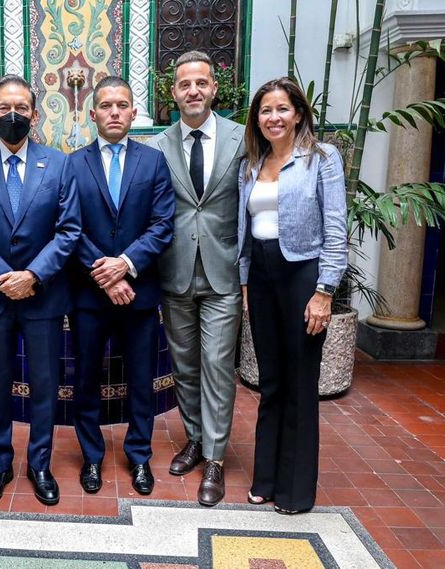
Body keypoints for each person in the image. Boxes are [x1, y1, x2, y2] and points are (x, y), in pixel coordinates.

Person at [0, 75, 81, 507]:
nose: (13, 116)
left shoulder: (58, 164)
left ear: (35, 114)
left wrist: (33, 276)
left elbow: (69, 230)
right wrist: (5, 277)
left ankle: (39, 463)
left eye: (21, 108)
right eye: (4, 108)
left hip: (42, 296)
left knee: (45, 384)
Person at [239, 77, 347, 514]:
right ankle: (265, 478)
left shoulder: (322, 159)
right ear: (257, 119)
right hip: (262, 278)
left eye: (282, 109)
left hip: (304, 275)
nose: (274, 117)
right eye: (266, 110)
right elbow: (243, 234)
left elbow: (336, 227)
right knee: (271, 383)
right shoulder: (252, 163)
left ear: (298, 113)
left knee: (301, 384)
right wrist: (246, 285)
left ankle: (295, 490)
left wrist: (325, 292)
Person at [147, 50, 246, 507]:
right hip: (176, 275)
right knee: (184, 367)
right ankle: (194, 440)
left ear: (214, 88)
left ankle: (217, 459)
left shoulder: (243, 139)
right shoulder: (158, 147)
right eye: (185, 84)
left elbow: (251, 209)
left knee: (218, 367)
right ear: (173, 92)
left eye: (201, 83)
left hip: (224, 276)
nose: (193, 91)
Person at [67, 77, 174, 496]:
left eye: (122, 105)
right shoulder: (72, 164)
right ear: (92, 114)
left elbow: (163, 224)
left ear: (134, 113)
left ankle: (140, 456)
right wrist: (106, 275)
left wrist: (126, 265)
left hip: (140, 293)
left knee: (141, 380)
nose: (114, 112)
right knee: (87, 379)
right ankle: (91, 457)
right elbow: (69, 228)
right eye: (106, 105)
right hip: (89, 297)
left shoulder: (153, 163)